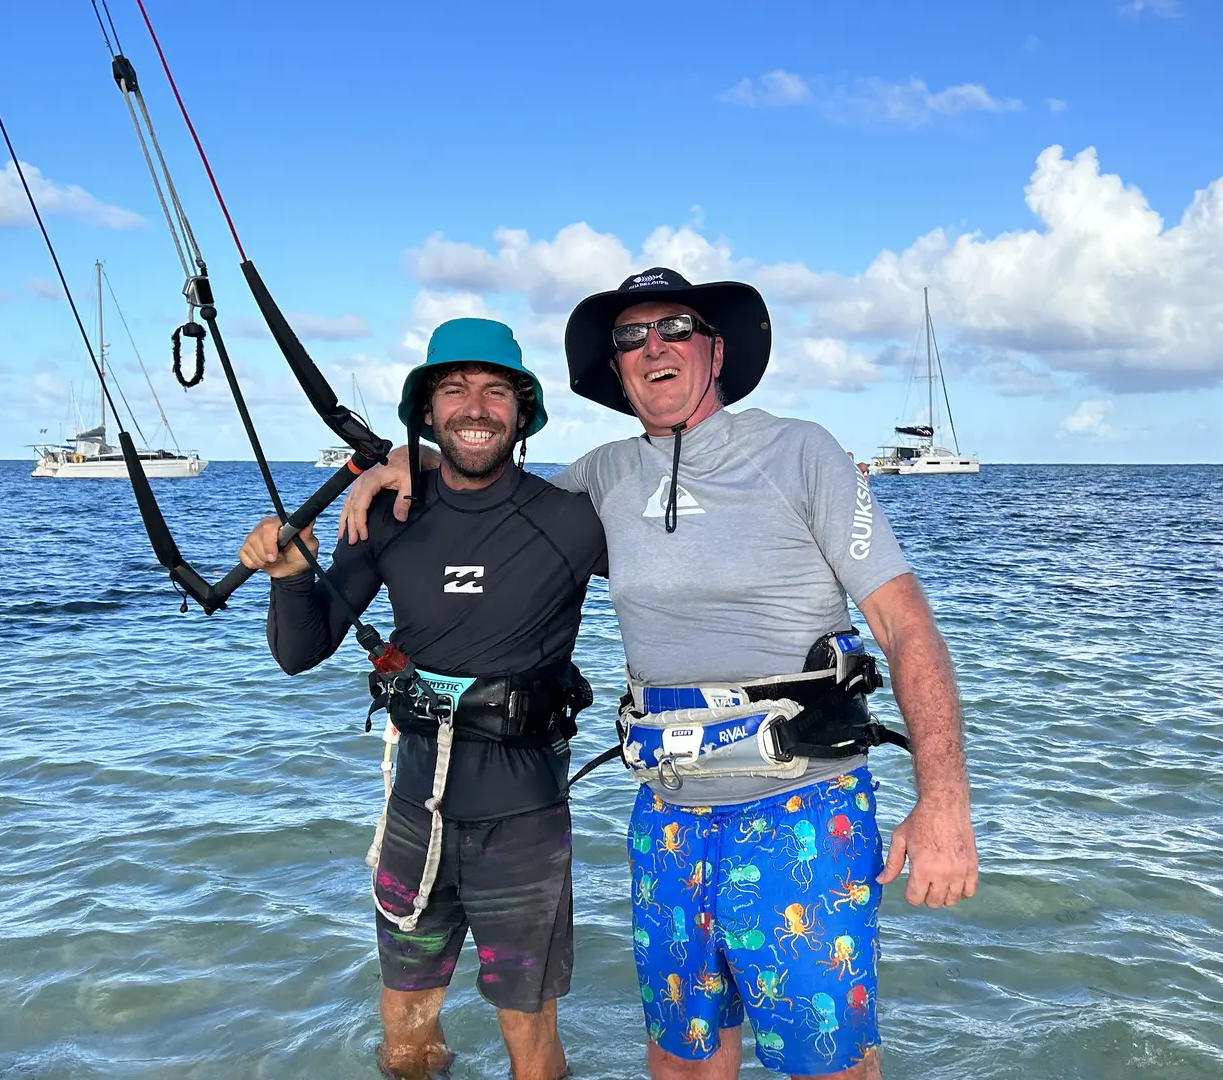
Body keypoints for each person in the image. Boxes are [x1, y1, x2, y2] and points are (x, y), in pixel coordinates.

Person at [342, 270, 979, 1079]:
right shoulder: (602, 478)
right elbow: (491, 493)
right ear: (616, 371)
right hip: (669, 817)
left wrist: (944, 801)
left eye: (675, 327)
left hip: (804, 810)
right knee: (681, 1060)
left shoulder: (801, 451)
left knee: (830, 1066)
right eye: (630, 338)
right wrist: (405, 462)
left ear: (715, 348)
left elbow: (905, 624)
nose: (653, 348)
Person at [241, 317, 605, 1080]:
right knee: (406, 1027)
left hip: (526, 821)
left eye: (495, 390)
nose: (475, 407)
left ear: (523, 411)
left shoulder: (571, 519)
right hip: (417, 812)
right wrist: (288, 576)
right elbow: (301, 650)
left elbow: (683, 582)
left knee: (530, 1036)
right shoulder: (385, 517)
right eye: (454, 389)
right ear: (428, 411)